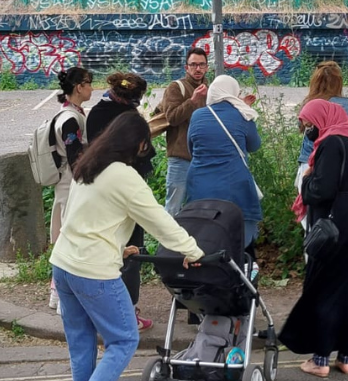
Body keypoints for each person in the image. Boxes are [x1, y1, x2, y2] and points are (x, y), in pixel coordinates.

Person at [50, 112, 204, 381]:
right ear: (138, 144)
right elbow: (159, 221)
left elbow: (76, 216)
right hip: (93, 271)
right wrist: (193, 251)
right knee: (123, 340)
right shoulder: (125, 176)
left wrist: (117, 248)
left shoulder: (88, 164)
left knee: (81, 342)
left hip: (63, 264)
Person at [280, 100, 348, 377]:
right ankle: (346, 357)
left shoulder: (330, 143)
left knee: (324, 287)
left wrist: (307, 179)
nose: (308, 129)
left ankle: (320, 359)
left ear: (323, 119)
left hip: (336, 225)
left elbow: (322, 190)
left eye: (310, 124)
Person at [86, 71, 152, 329]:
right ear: (134, 97)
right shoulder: (130, 118)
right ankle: (128, 314)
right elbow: (145, 153)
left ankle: (102, 313)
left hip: (101, 192)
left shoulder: (96, 113)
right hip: (127, 191)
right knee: (131, 252)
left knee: (106, 251)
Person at [185, 75, 263, 248]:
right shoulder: (242, 114)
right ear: (233, 92)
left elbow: (191, 149)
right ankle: (239, 269)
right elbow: (254, 145)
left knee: (202, 235)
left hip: (199, 185)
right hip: (233, 184)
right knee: (237, 236)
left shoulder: (197, 115)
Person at [49, 66, 95, 312]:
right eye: (89, 83)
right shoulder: (70, 119)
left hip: (66, 185)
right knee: (68, 240)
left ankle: (60, 298)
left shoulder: (71, 113)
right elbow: (75, 155)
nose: (91, 88)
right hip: (71, 187)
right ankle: (64, 302)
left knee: (64, 239)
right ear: (79, 87)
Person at [150, 47, 209, 214]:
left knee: (198, 207)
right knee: (173, 208)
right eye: (193, 65)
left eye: (201, 65)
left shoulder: (209, 88)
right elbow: (173, 118)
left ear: (207, 67)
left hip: (202, 158)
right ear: (186, 67)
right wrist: (193, 100)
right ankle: (167, 241)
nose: (198, 69)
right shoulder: (176, 88)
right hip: (180, 157)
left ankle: (193, 239)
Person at [296, 62, 348, 204]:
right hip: (343, 166)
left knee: (314, 215)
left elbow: (301, 128)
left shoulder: (310, 103)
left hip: (310, 162)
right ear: (339, 83)